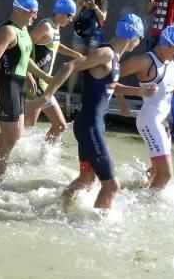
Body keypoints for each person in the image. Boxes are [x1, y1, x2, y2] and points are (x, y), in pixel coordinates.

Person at [31, 14, 149, 210]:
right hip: (89, 126)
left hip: (93, 126)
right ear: (133, 36)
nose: (138, 43)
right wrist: (45, 97)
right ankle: (97, 228)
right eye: (139, 38)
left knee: (86, 179)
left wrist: (138, 92)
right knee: (111, 185)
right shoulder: (106, 53)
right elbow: (69, 66)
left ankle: (54, 209)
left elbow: (110, 86)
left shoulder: (115, 58)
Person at [0, 0, 42, 180]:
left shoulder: (23, 30)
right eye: (32, 13)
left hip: (18, 85)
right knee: (11, 138)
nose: (34, 17)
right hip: (6, 86)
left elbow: (21, 57)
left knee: (15, 134)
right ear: (19, 10)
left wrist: (33, 75)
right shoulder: (8, 31)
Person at [119, 25, 174, 190]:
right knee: (166, 174)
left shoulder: (170, 61)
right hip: (150, 120)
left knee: (156, 171)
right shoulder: (144, 61)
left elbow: (166, 81)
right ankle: (146, 206)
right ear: (168, 44)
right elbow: (108, 77)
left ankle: (131, 192)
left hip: (164, 122)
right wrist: (122, 101)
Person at [24, 0, 81, 143]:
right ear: (61, 13)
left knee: (26, 128)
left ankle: (7, 153)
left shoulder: (55, 28)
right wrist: (28, 74)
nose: (70, 20)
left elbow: (55, 45)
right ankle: (43, 159)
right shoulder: (46, 26)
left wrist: (76, 55)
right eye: (69, 16)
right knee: (60, 125)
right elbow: (24, 49)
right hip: (38, 82)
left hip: (43, 82)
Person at [67, 0, 108, 115]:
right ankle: (69, 95)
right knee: (75, 61)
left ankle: (87, 97)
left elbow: (103, 18)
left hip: (95, 35)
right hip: (80, 32)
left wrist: (95, 6)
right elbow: (73, 17)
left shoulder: (103, 1)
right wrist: (81, 5)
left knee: (91, 65)